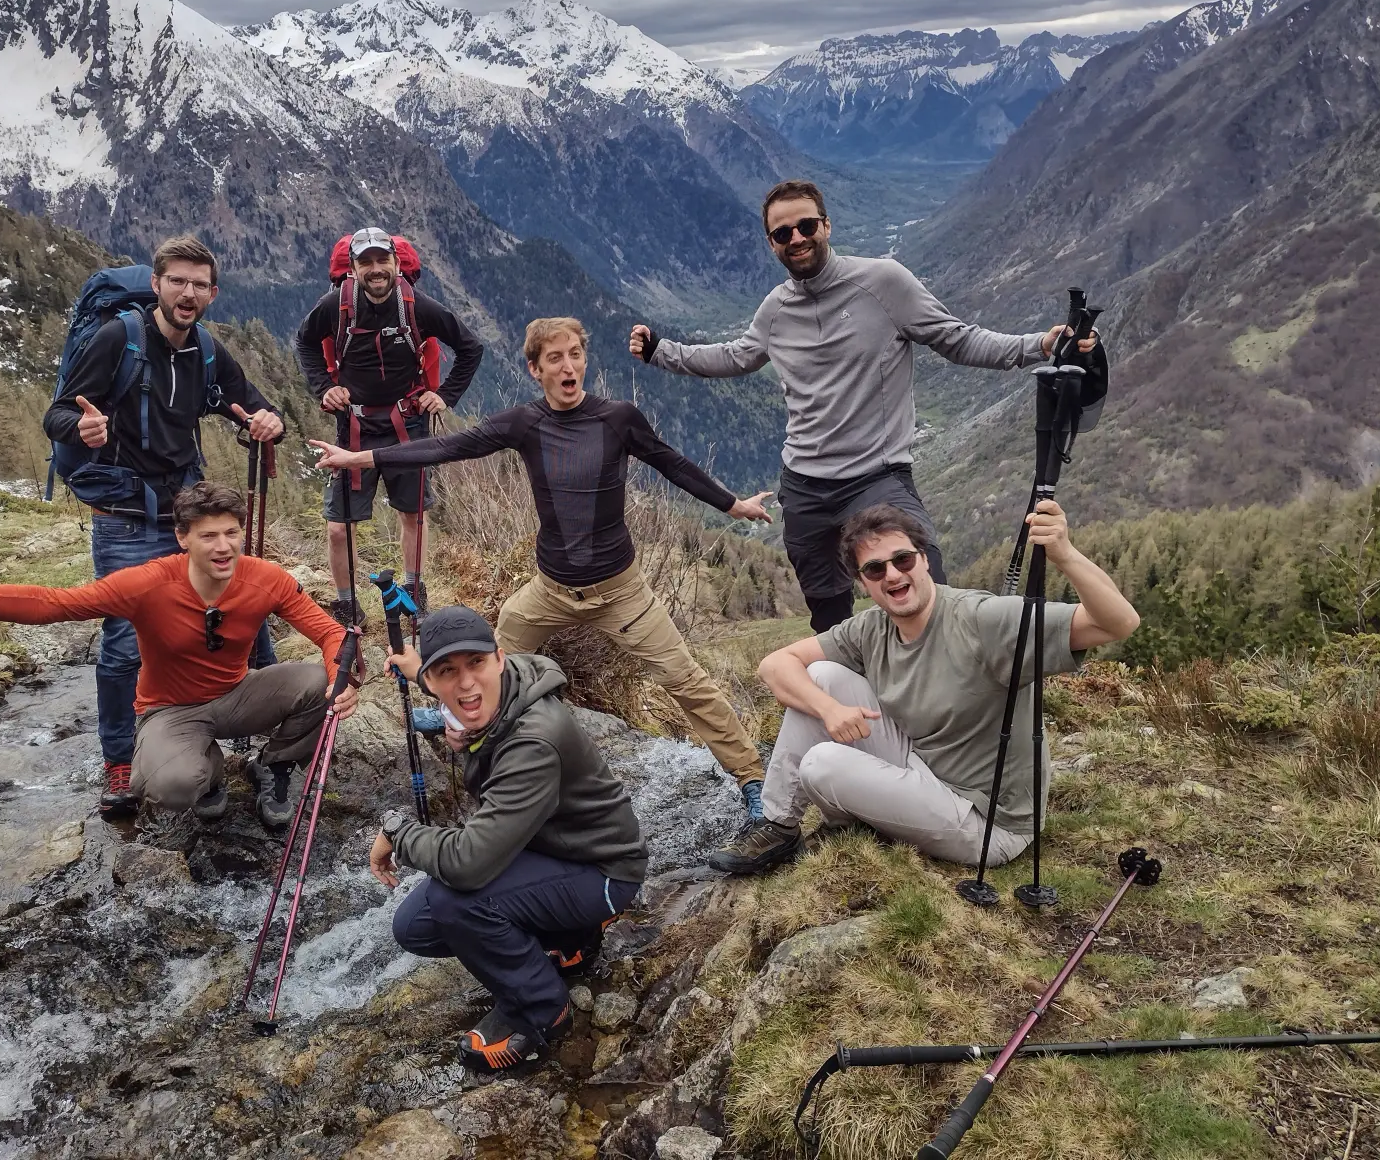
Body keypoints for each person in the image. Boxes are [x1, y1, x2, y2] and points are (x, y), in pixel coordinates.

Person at [310, 317, 776, 839]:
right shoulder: (526, 424)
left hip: (621, 593)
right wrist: (360, 457)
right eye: (555, 358)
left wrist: (732, 505)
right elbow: (449, 447)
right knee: (492, 654)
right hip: (550, 591)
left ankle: (753, 780)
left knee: (685, 681)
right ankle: (457, 718)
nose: (568, 366)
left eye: (575, 354)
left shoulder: (618, 419)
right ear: (536, 370)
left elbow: (673, 464)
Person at [629, 179, 1094, 633]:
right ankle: (857, 684)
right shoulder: (775, 309)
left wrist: (1039, 345)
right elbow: (735, 356)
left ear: (826, 226)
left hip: (876, 477)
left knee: (926, 584)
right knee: (829, 618)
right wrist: (660, 351)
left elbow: (957, 339)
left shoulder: (883, 282)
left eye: (806, 226)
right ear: (771, 244)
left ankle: (942, 679)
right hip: (804, 488)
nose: (797, 239)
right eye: (783, 233)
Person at [0, 482, 356, 830]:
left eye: (231, 533)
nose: (223, 546)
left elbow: (329, 633)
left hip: (238, 694)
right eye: (208, 536)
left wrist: (344, 674)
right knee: (172, 788)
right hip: (170, 711)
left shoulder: (265, 578)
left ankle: (274, 766)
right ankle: (209, 773)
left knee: (319, 681)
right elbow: (53, 604)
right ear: (183, 538)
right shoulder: (147, 583)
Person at [708, 499, 1138, 875]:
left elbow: (1117, 623)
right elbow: (775, 665)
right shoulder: (873, 627)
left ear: (925, 559)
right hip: (923, 767)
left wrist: (1065, 554)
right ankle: (779, 825)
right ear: (863, 582)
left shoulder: (982, 620)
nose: (893, 575)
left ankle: (852, 816)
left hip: (988, 822)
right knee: (821, 677)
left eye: (903, 559)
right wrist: (829, 709)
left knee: (821, 763)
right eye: (875, 568)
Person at [44, 234, 287, 817]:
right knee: (126, 641)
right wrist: (82, 429)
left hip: (185, 514)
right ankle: (120, 760)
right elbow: (57, 414)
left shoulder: (205, 350)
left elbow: (253, 402)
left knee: (246, 618)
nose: (188, 293)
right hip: (125, 516)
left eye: (199, 284)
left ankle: (263, 749)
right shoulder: (118, 339)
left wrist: (267, 421)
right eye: (177, 281)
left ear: (213, 293)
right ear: (156, 284)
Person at [371, 605, 647, 1073]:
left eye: (476, 663)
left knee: (455, 901)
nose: (466, 684)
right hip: (553, 849)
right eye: (446, 671)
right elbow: (459, 686)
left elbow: (468, 864)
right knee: (416, 926)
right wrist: (420, 673)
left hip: (603, 871)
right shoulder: (504, 688)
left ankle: (541, 1009)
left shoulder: (534, 740)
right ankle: (572, 939)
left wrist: (398, 833)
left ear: (499, 657)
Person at [295, 227, 484, 620]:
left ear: (396, 263)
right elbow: (305, 342)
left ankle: (413, 592)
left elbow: (470, 347)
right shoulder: (335, 305)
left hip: (407, 423)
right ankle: (347, 605)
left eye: (383, 260)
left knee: (412, 514)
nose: (376, 269)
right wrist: (324, 388)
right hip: (354, 425)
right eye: (366, 262)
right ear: (353, 268)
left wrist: (445, 396)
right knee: (338, 526)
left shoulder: (417, 306)